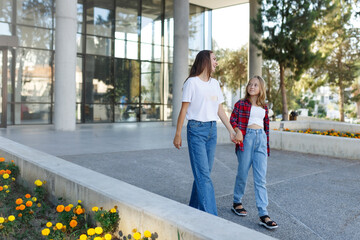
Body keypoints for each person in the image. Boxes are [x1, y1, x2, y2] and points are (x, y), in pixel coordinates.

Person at [173, 50, 236, 216]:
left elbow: (219, 110)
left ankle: (193, 210)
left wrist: (231, 130)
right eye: (214, 59)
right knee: (204, 176)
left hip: (211, 131)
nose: (216, 62)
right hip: (196, 131)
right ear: (205, 61)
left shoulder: (214, 83)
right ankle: (212, 219)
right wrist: (178, 133)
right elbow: (183, 110)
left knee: (203, 174)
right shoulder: (191, 83)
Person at [230, 75, 278, 229]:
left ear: (261, 88)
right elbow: (233, 120)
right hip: (246, 138)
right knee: (242, 173)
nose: (251, 87)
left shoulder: (264, 107)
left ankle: (263, 214)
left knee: (260, 178)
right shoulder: (241, 104)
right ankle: (237, 202)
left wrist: (266, 144)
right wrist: (238, 131)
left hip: (261, 140)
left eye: (255, 85)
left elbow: (266, 127)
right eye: (250, 84)